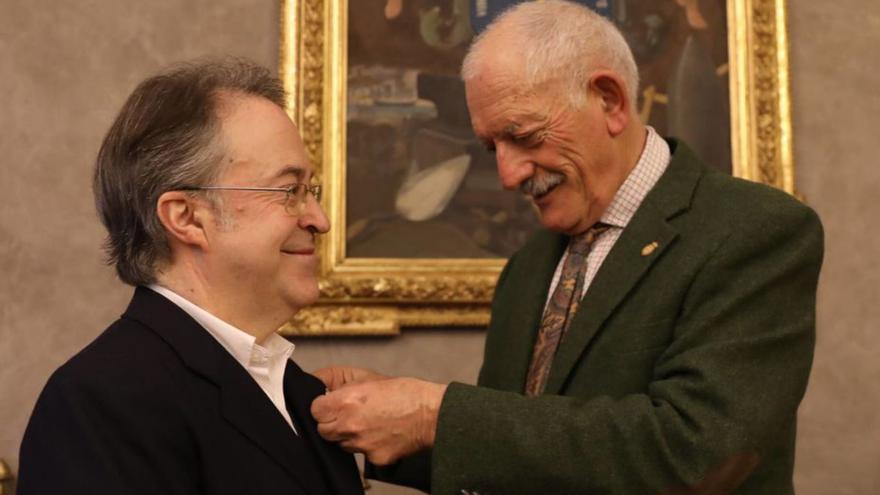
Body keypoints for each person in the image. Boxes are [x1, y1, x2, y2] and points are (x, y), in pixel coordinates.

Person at [310, 1, 824, 494]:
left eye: (525, 136)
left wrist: (434, 417)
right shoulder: (529, 267)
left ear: (610, 101)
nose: (508, 175)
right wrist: (373, 417)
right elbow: (523, 459)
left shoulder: (756, 230)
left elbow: (697, 454)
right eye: (493, 147)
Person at [18, 59, 363, 495]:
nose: (320, 219)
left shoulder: (298, 391)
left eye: (309, 191)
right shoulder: (101, 402)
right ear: (187, 218)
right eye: (288, 192)